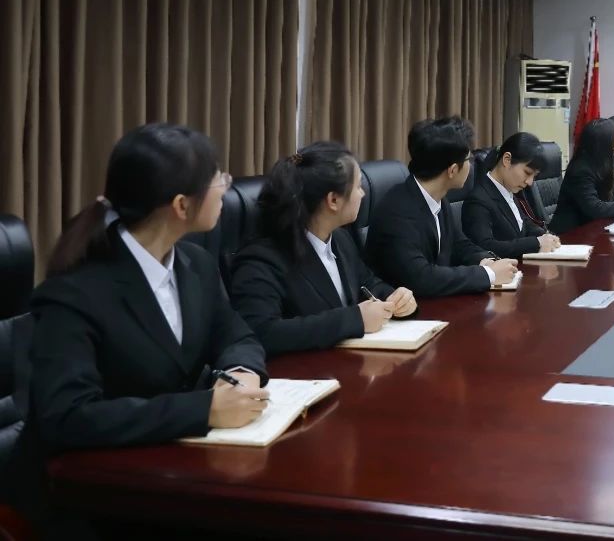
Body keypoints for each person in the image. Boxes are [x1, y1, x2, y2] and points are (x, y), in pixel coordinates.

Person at [26, 124, 269, 453]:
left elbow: (236, 335)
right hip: (90, 472)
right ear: (181, 205)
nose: (226, 188)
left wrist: (241, 373)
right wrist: (203, 410)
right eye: (219, 180)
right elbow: (68, 416)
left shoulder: (196, 264)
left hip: (174, 457)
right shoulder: (74, 293)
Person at [229, 142, 418, 357]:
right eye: (358, 186)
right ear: (333, 200)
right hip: (302, 371)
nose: (363, 194)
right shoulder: (262, 260)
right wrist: (355, 319)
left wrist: (395, 298)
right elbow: (262, 332)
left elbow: (367, 283)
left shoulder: (340, 238)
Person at [366, 117, 518, 297]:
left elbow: (459, 245)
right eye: (469, 159)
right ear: (452, 170)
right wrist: (488, 274)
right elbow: (422, 278)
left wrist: (485, 260)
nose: (471, 165)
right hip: (405, 308)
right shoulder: (396, 212)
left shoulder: (438, 198)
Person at [462, 132, 562, 260]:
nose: (530, 182)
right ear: (507, 160)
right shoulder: (478, 200)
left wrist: (544, 235)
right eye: (527, 173)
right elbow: (485, 246)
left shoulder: (508, 190)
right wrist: (536, 243)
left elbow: (522, 223)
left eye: (534, 176)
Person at [551, 118, 614, 234]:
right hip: (571, 234)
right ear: (606, 141)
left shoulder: (601, 164)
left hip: (593, 229)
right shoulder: (581, 170)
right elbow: (594, 208)